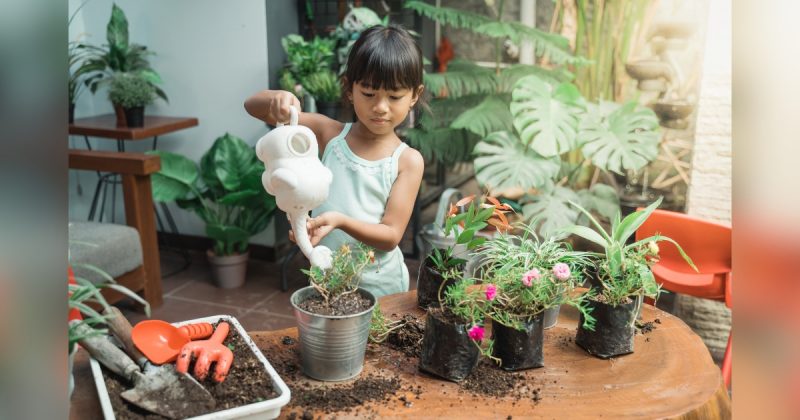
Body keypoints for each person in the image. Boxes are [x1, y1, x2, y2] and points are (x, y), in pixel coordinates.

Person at [244, 24, 425, 298]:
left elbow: (390, 236)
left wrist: (339, 221)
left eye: (395, 96)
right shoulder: (328, 134)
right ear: (349, 89)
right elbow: (252, 106)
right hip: (327, 281)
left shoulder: (407, 161)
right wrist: (277, 99)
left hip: (383, 290)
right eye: (369, 93)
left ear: (415, 96)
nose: (381, 106)